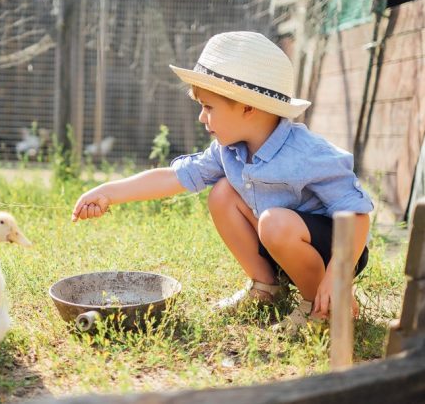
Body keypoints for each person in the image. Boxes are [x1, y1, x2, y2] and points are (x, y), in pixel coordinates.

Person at [71, 31, 373, 333]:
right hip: (281, 243)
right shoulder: (229, 150)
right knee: (223, 193)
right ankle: (266, 287)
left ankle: (320, 308)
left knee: (273, 222)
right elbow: (174, 177)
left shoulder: (307, 153)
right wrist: (109, 192)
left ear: (247, 107)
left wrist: (339, 274)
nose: (202, 117)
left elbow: (357, 215)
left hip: (336, 253)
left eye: (209, 107)